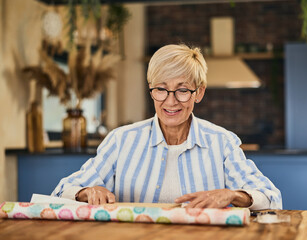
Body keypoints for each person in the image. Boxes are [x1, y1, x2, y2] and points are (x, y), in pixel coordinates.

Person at [52, 44, 282, 210]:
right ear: (151, 88)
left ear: (199, 92)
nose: (170, 101)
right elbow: (62, 191)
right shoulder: (121, 140)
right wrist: (86, 192)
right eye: (161, 89)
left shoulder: (222, 142)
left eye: (182, 90)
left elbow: (271, 197)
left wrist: (232, 195)